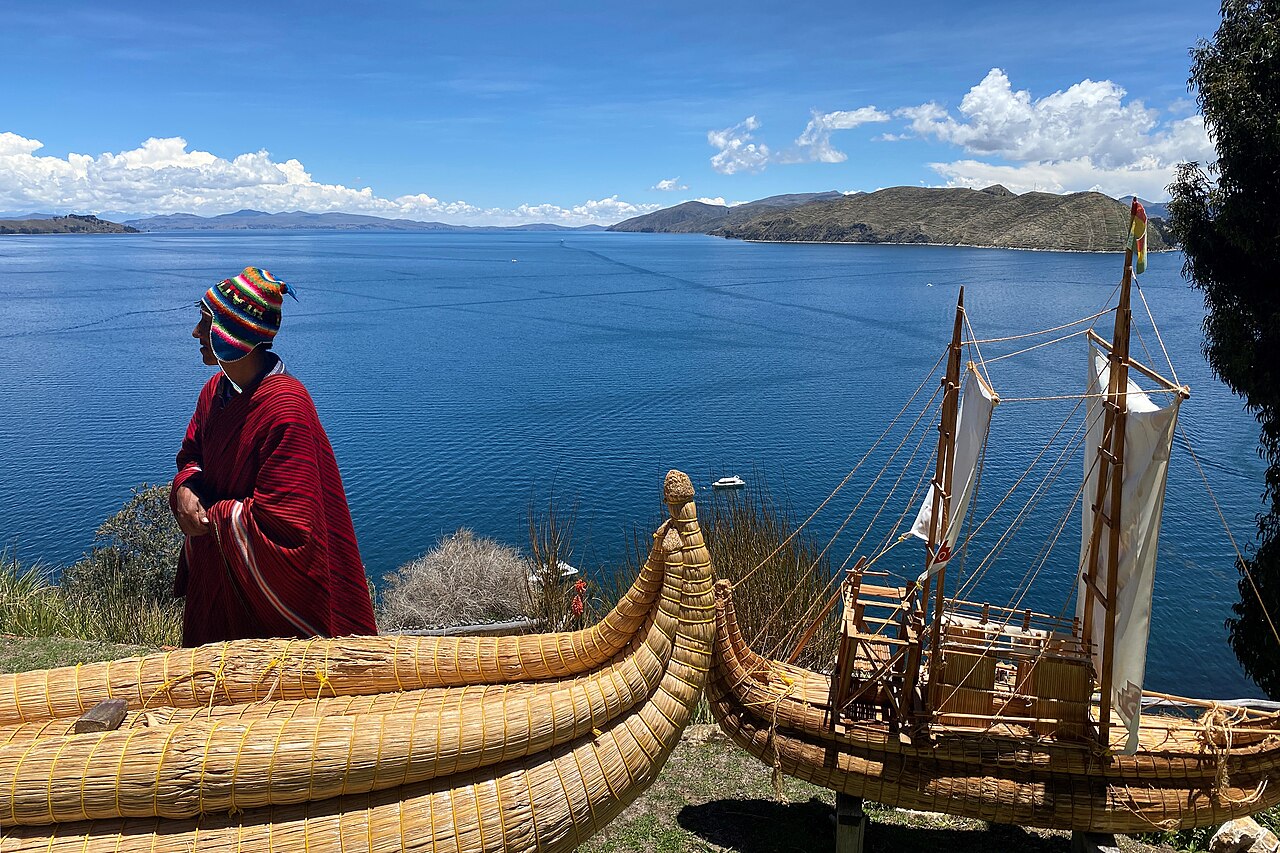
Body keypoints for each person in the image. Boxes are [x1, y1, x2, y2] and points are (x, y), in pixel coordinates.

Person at [169, 267, 377, 646]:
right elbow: (192, 456)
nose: (196, 333)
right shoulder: (215, 391)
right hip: (222, 578)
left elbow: (287, 528)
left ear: (234, 335)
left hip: (267, 609)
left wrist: (212, 514)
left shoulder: (286, 409)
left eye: (205, 322)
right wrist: (185, 489)